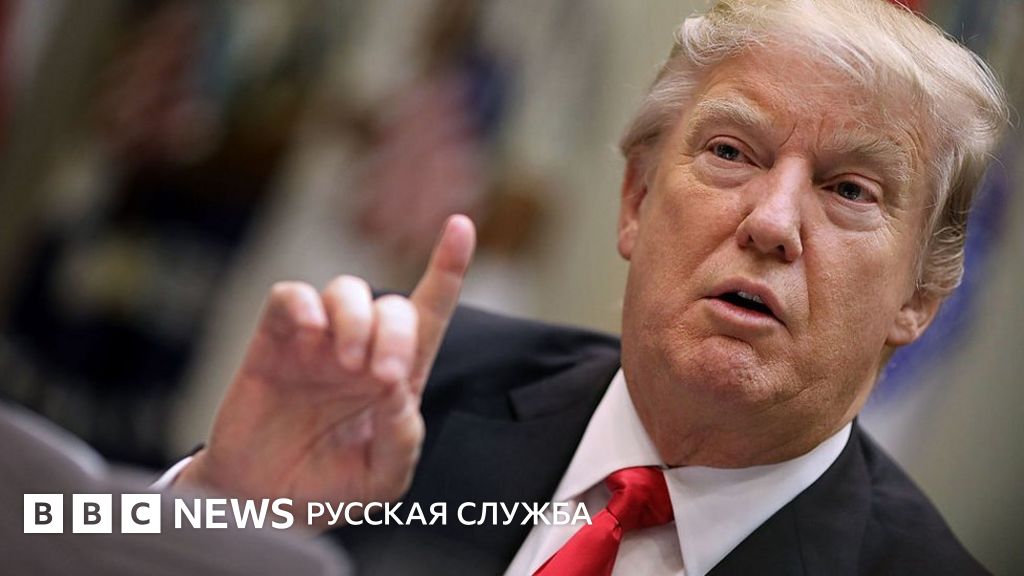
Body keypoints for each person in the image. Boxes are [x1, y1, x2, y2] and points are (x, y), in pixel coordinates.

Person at [171, 0, 1007, 574]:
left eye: (851, 190)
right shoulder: (409, 393)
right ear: (636, 199)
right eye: (730, 152)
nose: (772, 221)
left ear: (921, 298)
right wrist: (218, 513)